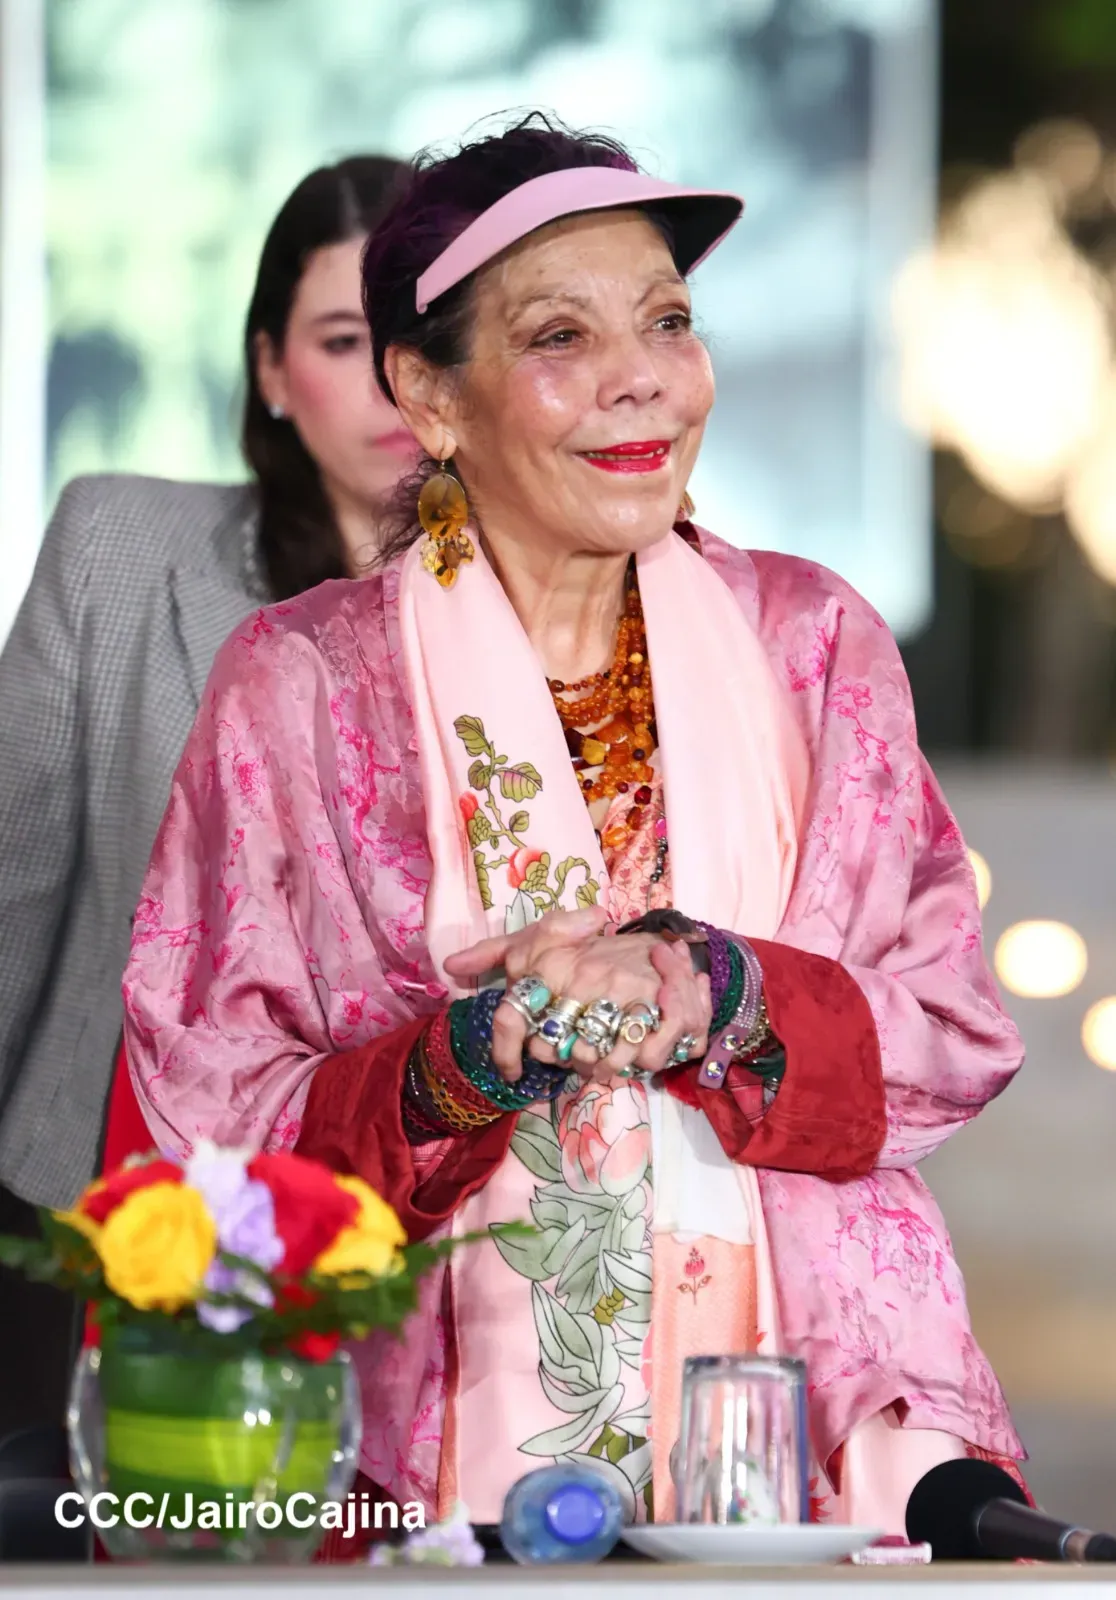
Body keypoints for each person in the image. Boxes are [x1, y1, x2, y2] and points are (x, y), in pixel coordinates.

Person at [122, 114, 1027, 1550]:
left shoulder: (813, 645)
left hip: (799, 1436)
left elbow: (954, 1032)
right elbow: (207, 1107)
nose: (642, 376)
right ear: (428, 394)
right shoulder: (302, 684)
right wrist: (464, 1059)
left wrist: (717, 989)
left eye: (668, 320)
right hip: (430, 1438)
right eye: (561, 336)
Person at [0, 154, 417, 1438]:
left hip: (424, 1234)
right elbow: (10, 894)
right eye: (343, 340)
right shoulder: (117, 548)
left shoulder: (550, 609)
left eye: (420, 335)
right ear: (269, 369)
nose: (391, 381)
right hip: (117, 1212)